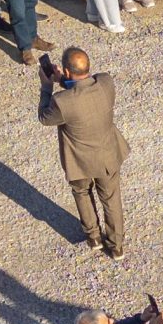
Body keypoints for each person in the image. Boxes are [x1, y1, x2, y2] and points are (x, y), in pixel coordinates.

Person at [37, 47, 129, 258]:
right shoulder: (106, 82)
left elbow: (44, 118)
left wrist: (47, 87)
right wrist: (64, 80)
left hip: (78, 161)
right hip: (106, 155)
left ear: (67, 71)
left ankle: (93, 237)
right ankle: (116, 246)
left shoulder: (62, 102)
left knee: (82, 193)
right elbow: (83, 90)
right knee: (111, 199)